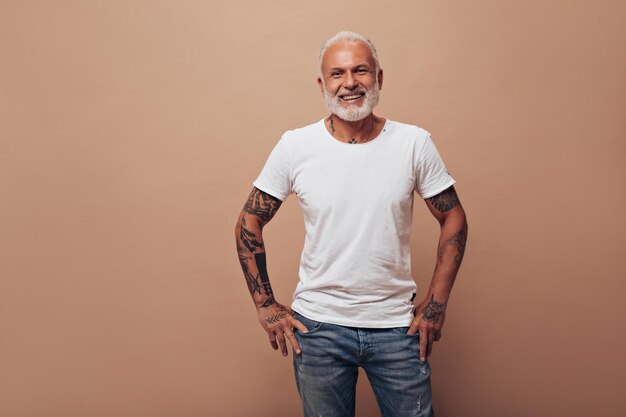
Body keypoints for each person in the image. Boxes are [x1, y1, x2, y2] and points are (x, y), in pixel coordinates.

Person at [234, 31, 468, 417]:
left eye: (360, 70)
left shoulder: (413, 143)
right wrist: (265, 304)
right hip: (319, 329)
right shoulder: (296, 146)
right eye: (337, 73)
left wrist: (436, 304)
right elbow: (249, 222)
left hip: (396, 326)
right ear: (322, 84)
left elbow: (453, 216)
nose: (350, 83)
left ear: (379, 77)